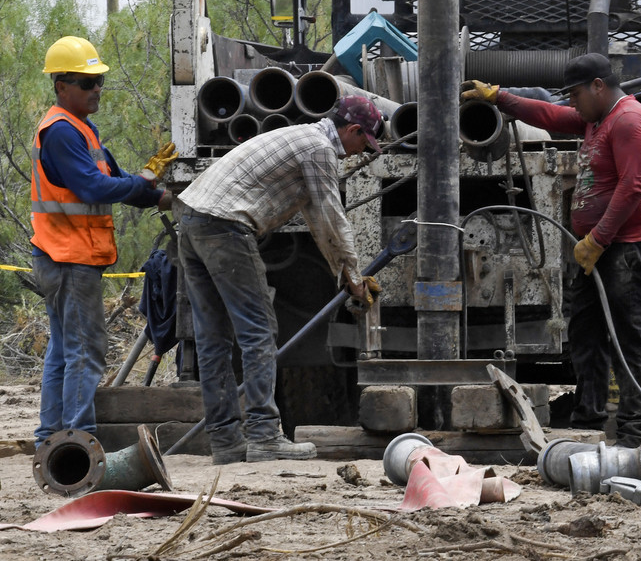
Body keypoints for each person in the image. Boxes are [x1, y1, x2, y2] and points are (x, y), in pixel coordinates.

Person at [461, 53, 641, 448]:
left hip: (629, 248)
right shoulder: (597, 118)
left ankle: (635, 431)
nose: (571, 102)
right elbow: (551, 117)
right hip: (602, 250)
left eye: (575, 93)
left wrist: (599, 238)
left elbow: (633, 188)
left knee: (629, 336)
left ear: (598, 86)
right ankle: (588, 421)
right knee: (585, 332)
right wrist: (500, 97)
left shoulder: (629, 120)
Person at [176, 95, 383, 464]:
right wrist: (354, 277)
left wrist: (344, 270)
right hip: (226, 226)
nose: (359, 153)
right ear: (352, 130)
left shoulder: (299, 138)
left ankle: (225, 443)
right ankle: (264, 436)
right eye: (362, 143)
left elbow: (315, 217)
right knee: (259, 331)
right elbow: (330, 219)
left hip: (193, 221)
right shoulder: (319, 149)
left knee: (213, 339)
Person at [32, 36, 176, 447]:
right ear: (61, 86)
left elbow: (119, 182)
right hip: (68, 258)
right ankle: (78, 441)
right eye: (85, 81)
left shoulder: (82, 130)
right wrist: (146, 182)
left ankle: (50, 438)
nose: (95, 88)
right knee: (84, 351)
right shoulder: (61, 132)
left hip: (65, 256)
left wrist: (160, 195)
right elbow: (96, 188)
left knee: (63, 350)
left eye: (98, 81)